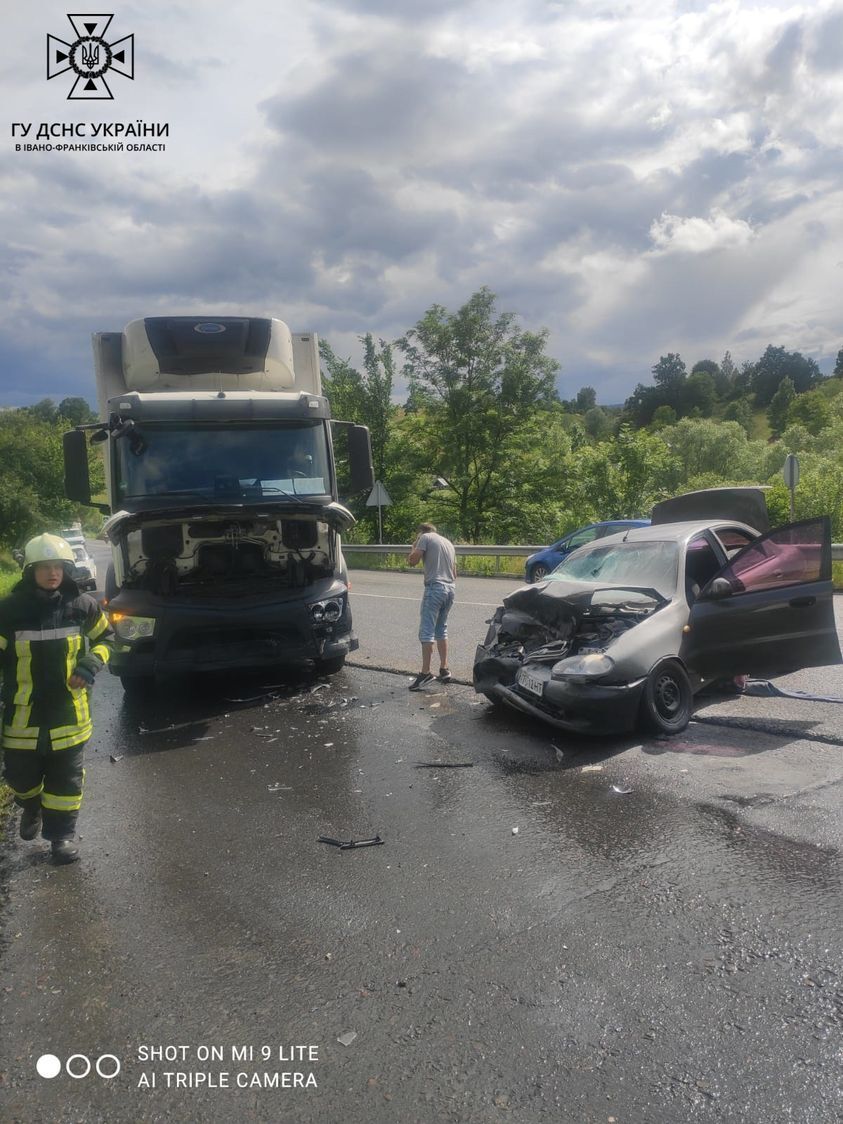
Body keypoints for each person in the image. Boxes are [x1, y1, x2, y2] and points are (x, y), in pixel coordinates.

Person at [0, 534, 114, 864]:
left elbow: (108, 639)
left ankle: (60, 839)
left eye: (59, 567)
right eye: (45, 567)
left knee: (66, 782)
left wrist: (90, 664)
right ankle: (31, 805)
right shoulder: (9, 612)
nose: (53, 573)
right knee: (19, 778)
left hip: (70, 716)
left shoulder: (83, 606)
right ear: (29, 571)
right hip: (23, 718)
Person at [406, 523, 456, 690]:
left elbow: (413, 561)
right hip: (450, 588)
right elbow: (454, 573)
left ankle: (425, 673)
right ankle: (444, 669)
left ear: (421, 532)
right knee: (441, 628)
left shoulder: (425, 538)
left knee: (426, 630)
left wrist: (414, 547)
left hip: (435, 588)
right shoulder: (448, 543)